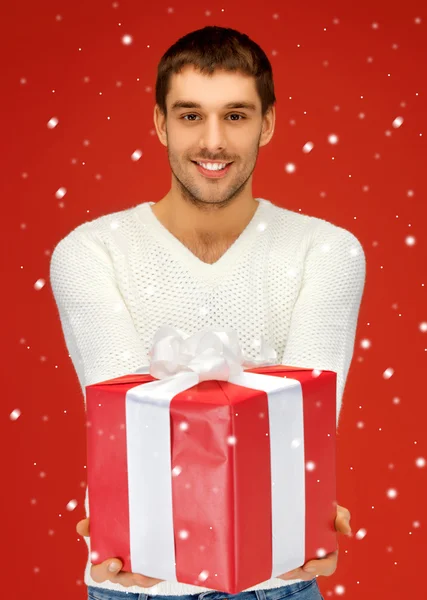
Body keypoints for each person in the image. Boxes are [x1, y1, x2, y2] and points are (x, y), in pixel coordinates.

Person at [50, 24, 363, 600]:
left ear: (267, 123)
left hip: (279, 582)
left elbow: (303, 422)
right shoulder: (89, 252)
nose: (213, 141)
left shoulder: (327, 250)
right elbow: (126, 416)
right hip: (136, 581)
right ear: (159, 123)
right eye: (191, 115)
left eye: (236, 116)